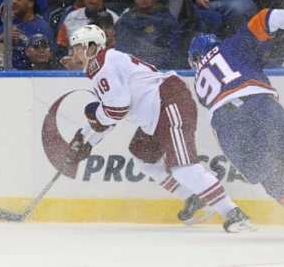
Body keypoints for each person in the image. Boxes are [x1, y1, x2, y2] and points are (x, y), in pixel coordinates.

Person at [61, 24, 254, 232]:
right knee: (143, 156)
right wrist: (87, 141)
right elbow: (111, 112)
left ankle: (233, 213)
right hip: (156, 113)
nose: (74, 53)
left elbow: (116, 110)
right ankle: (191, 198)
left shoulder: (103, 65)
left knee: (184, 168)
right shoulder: (102, 66)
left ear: (91, 47)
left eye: (77, 48)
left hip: (169, 102)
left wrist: (93, 117)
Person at [187, 8, 284, 240]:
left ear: (195, 59)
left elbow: (234, 107)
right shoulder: (231, 46)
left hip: (227, 128)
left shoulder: (199, 80)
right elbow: (268, 17)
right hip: (261, 106)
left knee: (274, 180)